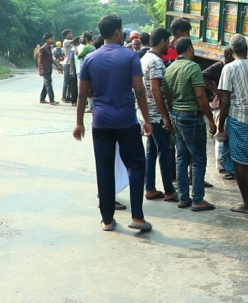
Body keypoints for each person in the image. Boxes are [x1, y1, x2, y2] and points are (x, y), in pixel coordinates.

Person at [73, 15, 153, 232]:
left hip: (100, 122)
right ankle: (137, 217)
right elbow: (139, 91)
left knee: (104, 168)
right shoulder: (130, 57)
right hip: (126, 121)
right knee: (136, 165)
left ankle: (107, 220)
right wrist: (146, 119)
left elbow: (81, 95)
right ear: (118, 32)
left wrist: (79, 123)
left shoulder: (90, 59)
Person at [217, 34, 248, 215]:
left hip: (237, 118)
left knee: (239, 161)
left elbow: (225, 100)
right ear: (247, 49)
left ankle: (246, 203)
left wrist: (220, 125)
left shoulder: (229, 68)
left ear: (231, 51)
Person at [164, 37, 217, 211]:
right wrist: (210, 118)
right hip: (191, 116)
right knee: (199, 158)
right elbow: (201, 96)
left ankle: (184, 197)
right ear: (190, 49)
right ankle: (198, 199)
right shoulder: (193, 67)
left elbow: (168, 95)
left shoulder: (170, 68)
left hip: (177, 115)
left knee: (181, 158)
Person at [139, 28, 177, 202]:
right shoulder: (155, 62)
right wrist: (165, 116)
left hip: (147, 114)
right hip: (156, 115)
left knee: (151, 151)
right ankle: (169, 190)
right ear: (162, 41)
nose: (169, 45)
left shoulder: (144, 58)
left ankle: (150, 188)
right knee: (164, 151)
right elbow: (155, 89)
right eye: (168, 42)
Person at [202, 47, 235, 179]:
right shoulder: (219, 66)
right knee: (221, 135)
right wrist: (216, 91)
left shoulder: (233, 67)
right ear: (228, 57)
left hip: (230, 103)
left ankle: (229, 165)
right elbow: (202, 76)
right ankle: (221, 167)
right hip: (220, 104)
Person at [38, 33, 63, 105]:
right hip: (45, 68)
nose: (52, 40)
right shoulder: (43, 49)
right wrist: (40, 70)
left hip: (49, 68)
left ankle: (42, 99)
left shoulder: (49, 48)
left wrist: (57, 66)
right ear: (46, 40)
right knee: (48, 84)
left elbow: (51, 59)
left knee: (46, 83)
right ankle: (52, 100)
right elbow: (40, 60)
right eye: (50, 39)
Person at [66, 37, 80, 106]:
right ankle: (73, 100)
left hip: (76, 69)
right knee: (74, 86)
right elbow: (71, 60)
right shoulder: (73, 49)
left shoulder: (77, 49)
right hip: (73, 70)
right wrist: (73, 71)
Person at [60, 29, 74, 103]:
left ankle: (68, 96)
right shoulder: (66, 41)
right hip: (67, 63)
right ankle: (63, 96)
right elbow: (74, 40)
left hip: (71, 63)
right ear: (66, 36)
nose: (71, 35)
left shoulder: (71, 42)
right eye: (69, 34)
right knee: (66, 81)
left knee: (70, 81)